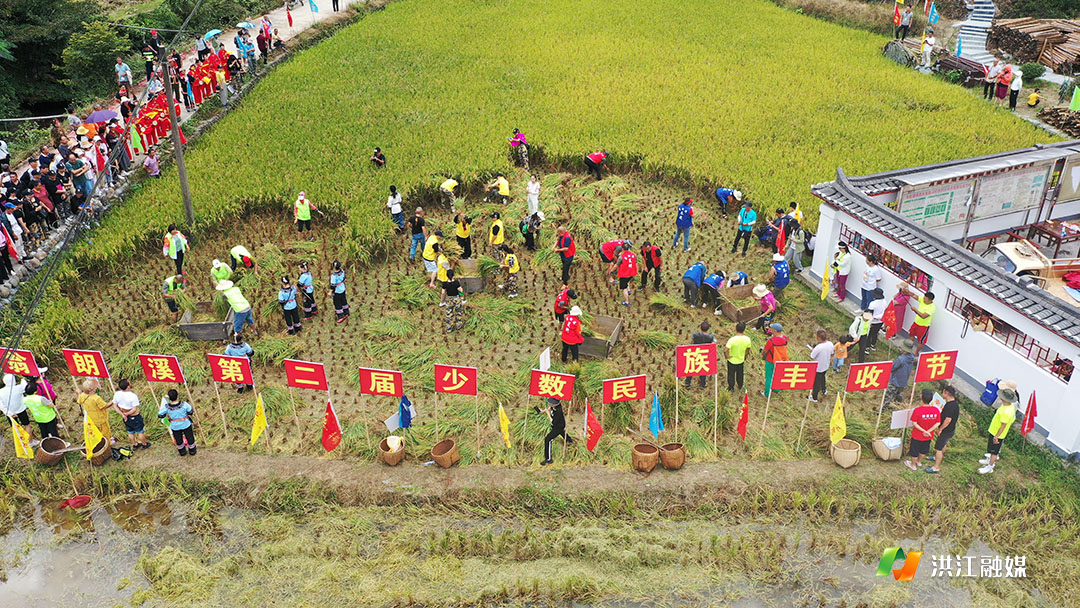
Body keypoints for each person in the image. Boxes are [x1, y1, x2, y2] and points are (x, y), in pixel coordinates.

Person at [979, 388, 1018, 475]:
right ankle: (988, 461)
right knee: (990, 449)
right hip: (993, 430)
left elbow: (1003, 425)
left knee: (994, 452)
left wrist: (997, 436)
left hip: (998, 434)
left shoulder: (1007, 411)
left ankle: (990, 467)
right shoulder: (1007, 406)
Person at [924, 385, 959, 474]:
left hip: (946, 431)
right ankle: (936, 458)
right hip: (950, 430)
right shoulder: (954, 404)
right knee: (943, 444)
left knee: (938, 448)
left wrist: (940, 429)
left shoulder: (950, 406)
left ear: (946, 393)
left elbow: (948, 420)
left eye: (943, 392)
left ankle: (936, 467)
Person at [905, 389, 940, 471]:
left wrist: (923, 431)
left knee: (914, 450)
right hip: (929, 436)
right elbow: (938, 423)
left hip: (917, 435)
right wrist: (928, 431)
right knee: (924, 450)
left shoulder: (918, 410)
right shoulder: (936, 410)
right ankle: (919, 462)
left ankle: (913, 465)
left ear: (922, 399)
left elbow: (914, 423)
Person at [110, 379, 148, 450]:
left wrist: (123, 414)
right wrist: (127, 414)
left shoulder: (117, 394)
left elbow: (114, 405)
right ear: (128, 387)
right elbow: (134, 409)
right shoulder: (133, 396)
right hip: (135, 416)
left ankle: (135, 444)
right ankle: (144, 444)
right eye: (129, 383)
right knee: (140, 431)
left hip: (125, 417)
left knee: (130, 432)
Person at [159, 389, 196, 456]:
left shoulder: (167, 407)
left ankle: (182, 452)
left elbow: (160, 415)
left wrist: (167, 415)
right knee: (190, 437)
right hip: (185, 424)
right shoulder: (184, 404)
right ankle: (192, 451)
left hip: (175, 426)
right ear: (177, 396)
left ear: (169, 398)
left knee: (178, 439)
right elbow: (190, 411)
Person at [79, 378, 113, 446]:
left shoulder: (82, 395)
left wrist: (79, 393)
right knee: (105, 432)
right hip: (101, 419)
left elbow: (79, 401)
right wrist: (113, 401)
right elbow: (104, 406)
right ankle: (107, 444)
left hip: (91, 419)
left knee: (96, 432)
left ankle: (99, 442)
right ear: (93, 389)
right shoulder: (96, 398)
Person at [883, 340, 918, 405]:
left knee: (888, 395)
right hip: (903, 381)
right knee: (898, 395)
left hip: (895, 381)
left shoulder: (901, 359)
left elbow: (893, 368)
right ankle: (896, 405)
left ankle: (884, 407)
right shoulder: (912, 358)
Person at [540, 397, 573, 465]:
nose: (550, 404)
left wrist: (547, 414)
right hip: (558, 426)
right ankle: (570, 441)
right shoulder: (554, 406)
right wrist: (543, 411)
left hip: (558, 426)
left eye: (551, 403)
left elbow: (553, 422)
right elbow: (549, 408)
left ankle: (548, 459)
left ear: (555, 404)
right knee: (562, 433)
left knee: (548, 439)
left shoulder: (558, 411)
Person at [685, 321, 715, 389]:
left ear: (700, 328)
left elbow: (692, 343)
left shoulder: (695, 335)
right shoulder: (710, 337)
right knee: (702, 368)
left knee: (692, 367)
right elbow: (713, 346)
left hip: (695, 353)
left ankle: (687, 383)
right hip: (704, 354)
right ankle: (702, 384)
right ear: (708, 329)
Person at [762, 323, 789, 397]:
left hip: (771, 361)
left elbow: (765, 350)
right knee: (777, 375)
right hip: (781, 361)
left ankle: (767, 393)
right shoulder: (785, 339)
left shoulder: (771, 341)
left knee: (769, 377)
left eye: (772, 329)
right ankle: (777, 389)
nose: (771, 330)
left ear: (775, 330)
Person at [725, 322, 751, 392]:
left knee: (731, 374)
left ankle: (731, 387)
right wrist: (745, 356)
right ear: (744, 330)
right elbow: (748, 349)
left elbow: (725, 350)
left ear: (736, 329)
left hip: (732, 360)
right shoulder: (747, 339)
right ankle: (740, 385)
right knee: (740, 373)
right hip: (741, 360)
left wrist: (727, 356)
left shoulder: (732, 339)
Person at [808, 330, 834, 403]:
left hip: (818, 367)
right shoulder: (830, 344)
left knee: (817, 382)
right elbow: (832, 352)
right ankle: (824, 390)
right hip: (826, 364)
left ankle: (814, 397)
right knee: (823, 377)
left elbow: (812, 356)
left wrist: (813, 350)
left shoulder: (818, 347)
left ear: (819, 338)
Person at [441, 268, 465, 332]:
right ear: (453, 275)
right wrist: (462, 296)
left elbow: (443, 293)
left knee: (449, 313)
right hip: (456, 298)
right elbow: (460, 290)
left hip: (449, 299)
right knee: (459, 312)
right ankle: (458, 326)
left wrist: (442, 301)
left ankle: (449, 328)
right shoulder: (456, 282)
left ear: (447, 275)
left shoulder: (445, 283)